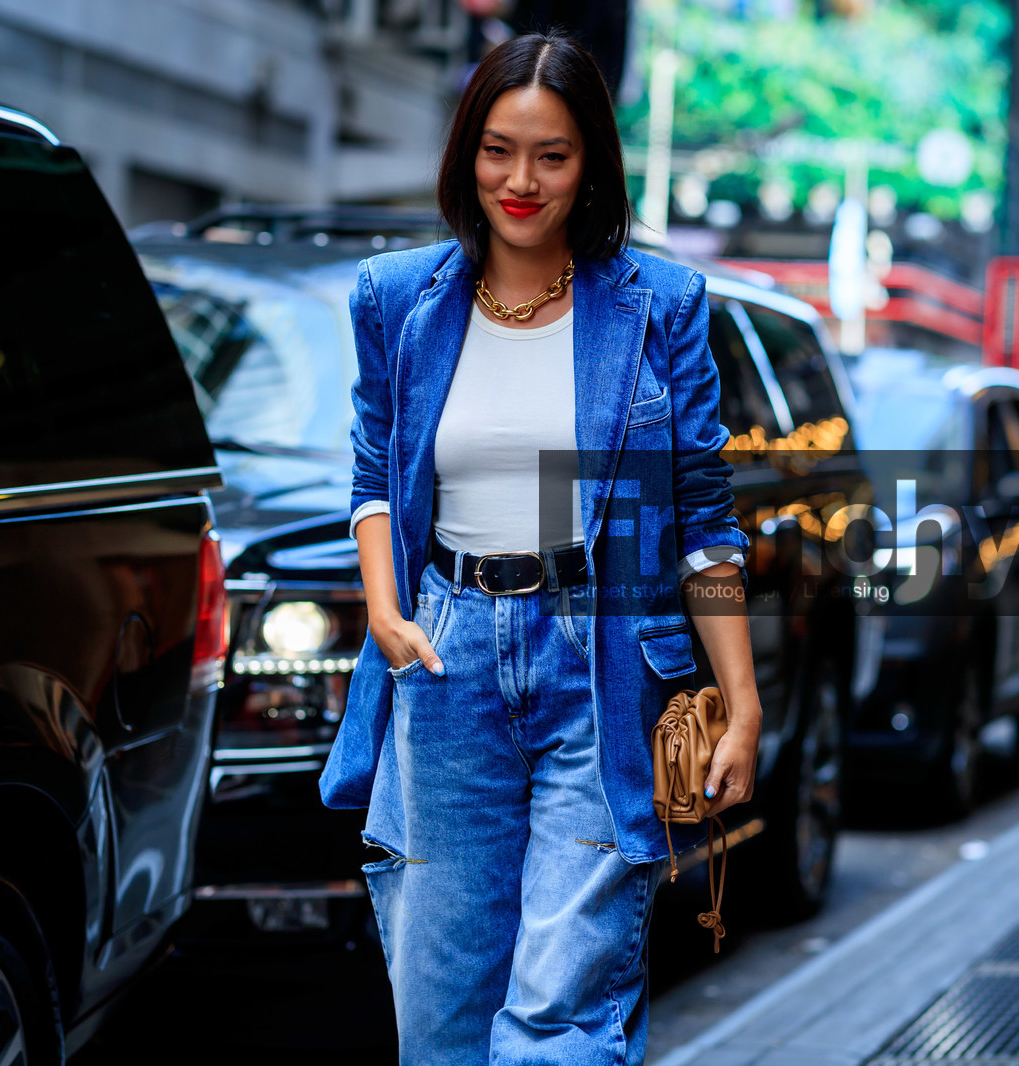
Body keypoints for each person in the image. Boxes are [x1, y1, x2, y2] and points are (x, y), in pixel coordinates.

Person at [319, 30, 762, 1065]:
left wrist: (739, 703)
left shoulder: (659, 307)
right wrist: (386, 613)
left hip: (599, 658)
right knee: (439, 1019)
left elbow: (697, 513)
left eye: (552, 156)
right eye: (497, 150)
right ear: (465, 154)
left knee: (555, 1021)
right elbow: (373, 477)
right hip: (445, 654)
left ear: (590, 166)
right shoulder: (397, 300)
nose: (520, 181)